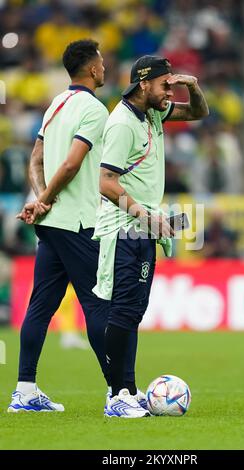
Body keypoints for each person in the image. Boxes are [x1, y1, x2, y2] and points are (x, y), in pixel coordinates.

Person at [7, 39, 137, 413]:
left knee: (41, 306)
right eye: (101, 63)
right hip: (80, 222)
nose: (105, 68)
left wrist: (42, 199)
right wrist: (46, 196)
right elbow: (71, 165)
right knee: (99, 308)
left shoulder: (55, 105)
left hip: (51, 225)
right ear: (93, 69)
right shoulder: (95, 110)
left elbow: (36, 159)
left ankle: (25, 390)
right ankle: (118, 395)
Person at [92, 55, 209, 418]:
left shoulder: (153, 113)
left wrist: (192, 86)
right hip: (123, 228)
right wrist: (146, 216)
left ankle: (128, 388)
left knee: (134, 312)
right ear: (144, 83)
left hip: (143, 228)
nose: (169, 92)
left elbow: (197, 114)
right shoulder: (123, 124)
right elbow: (106, 183)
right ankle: (115, 395)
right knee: (123, 311)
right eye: (165, 85)